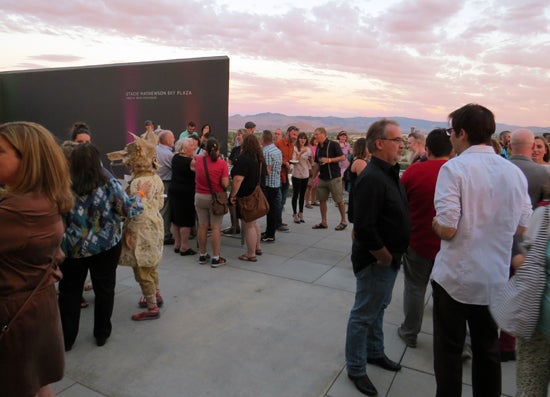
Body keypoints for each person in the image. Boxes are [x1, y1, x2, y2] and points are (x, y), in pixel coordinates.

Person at [431, 104, 532, 397]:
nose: (450, 138)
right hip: (493, 279)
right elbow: (522, 228)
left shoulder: (454, 168)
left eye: (452, 132)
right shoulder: (512, 173)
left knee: (449, 353)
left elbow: (448, 229)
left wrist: (435, 224)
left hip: (455, 278)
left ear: (462, 133)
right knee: (487, 351)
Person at [0, 121, 74, 397]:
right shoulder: (43, 199)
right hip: (36, 306)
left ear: (27, 160)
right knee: (37, 382)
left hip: (15, 315)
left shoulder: (16, 210)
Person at [59, 143, 147, 350]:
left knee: (69, 293)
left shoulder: (62, 185)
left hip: (73, 249)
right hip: (106, 247)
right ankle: (101, 333)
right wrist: (140, 195)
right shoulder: (109, 184)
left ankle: (66, 338)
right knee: (105, 289)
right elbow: (128, 210)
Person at [345, 119, 410, 397]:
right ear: (379, 143)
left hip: (391, 259)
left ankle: (375, 352)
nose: (402, 145)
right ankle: (357, 367)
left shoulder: (389, 172)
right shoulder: (372, 178)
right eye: (397, 140)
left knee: (378, 307)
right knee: (363, 314)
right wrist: (382, 256)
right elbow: (364, 226)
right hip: (376, 261)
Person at [397, 129, 453, 349]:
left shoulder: (414, 172)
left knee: (414, 288)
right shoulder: (459, 172)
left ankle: (410, 332)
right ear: (451, 149)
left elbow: (399, 205)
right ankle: (454, 342)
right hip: (450, 245)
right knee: (448, 294)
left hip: (418, 242)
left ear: (427, 149)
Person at [107, 132, 165, 321]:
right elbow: (160, 204)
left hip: (140, 228)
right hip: (155, 224)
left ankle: (152, 306)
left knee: (141, 268)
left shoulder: (138, 182)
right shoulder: (156, 179)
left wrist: (129, 231)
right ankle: (156, 294)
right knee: (151, 264)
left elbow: (132, 209)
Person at [515, 204, 550, 396]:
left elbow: (525, 262)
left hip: (538, 321)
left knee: (530, 387)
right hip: (538, 322)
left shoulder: (544, 216)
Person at [194, 138, 230, 267]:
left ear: (206, 150)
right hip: (215, 198)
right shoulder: (222, 164)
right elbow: (225, 183)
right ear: (218, 150)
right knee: (216, 228)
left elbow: (192, 165)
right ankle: (215, 257)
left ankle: (202, 255)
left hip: (199, 196)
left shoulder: (198, 161)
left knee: (202, 226)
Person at [229, 134, 265, 262]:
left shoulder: (244, 159)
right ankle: (257, 247)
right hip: (255, 193)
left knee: (248, 225)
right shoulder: (259, 159)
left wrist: (232, 195)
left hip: (245, 196)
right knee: (254, 223)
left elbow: (238, 179)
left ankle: (251, 253)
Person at [311, 127, 348, 231]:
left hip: (334, 177)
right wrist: (313, 178)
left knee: (339, 200)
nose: (315, 136)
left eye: (316, 134)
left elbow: (342, 157)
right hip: (322, 178)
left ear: (323, 134)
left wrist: (329, 160)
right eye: (315, 134)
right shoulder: (318, 147)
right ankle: (324, 222)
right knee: (322, 200)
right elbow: (317, 164)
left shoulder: (333, 144)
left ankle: (343, 221)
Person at [169, 138, 197, 256]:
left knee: (176, 219)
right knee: (186, 220)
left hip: (174, 189)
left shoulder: (175, 158)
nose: (194, 147)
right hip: (186, 192)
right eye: (191, 145)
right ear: (184, 148)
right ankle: (184, 246)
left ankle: (177, 244)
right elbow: (200, 172)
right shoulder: (190, 162)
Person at [275, 126, 299, 231]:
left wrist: (289, 163)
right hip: (277, 176)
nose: (295, 137)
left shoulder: (292, 146)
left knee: (282, 201)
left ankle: (278, 221)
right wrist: (285, 163)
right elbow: (275, 158)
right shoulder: (278, 144)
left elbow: (289, 160)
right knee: (278, 201)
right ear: (288, 133)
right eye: (293, 134)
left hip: (285, 176)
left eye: (296, 135)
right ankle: (276, 223)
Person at [261, 130, 282, 243]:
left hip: (269, 184)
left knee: (270, 211)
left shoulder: (266, 152)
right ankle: (269, 231)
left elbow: (267, 171)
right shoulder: (277, 150)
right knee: (272, 209)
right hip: (276, 183)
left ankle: (270, 234)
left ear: (263, 139)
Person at [223, 129, 245, 236]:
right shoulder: (236, 149)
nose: (238, 137)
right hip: (234, 179)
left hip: (244, 182)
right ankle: (235, 226)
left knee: (238, 202)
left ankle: (244, 227)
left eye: (239, 135)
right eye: (237, 135)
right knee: (231, 202)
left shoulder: (249, 151)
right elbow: (229, 162)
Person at [156, 130, 175, 245]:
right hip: (165, 184)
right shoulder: (169, 155)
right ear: (168, 141)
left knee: (158, 208)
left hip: (156, 182)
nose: (174, 140)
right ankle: (164, 235)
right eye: (172, 138)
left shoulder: (155, 149)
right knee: (165, 209)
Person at [346, 137, 369, 224]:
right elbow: (364, 182)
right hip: (359, 195)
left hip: (356, 193)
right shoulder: (360, 162)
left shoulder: (357, 160)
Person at [291, 131, 312, 223]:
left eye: (304, 138)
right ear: (298, 139)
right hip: (296, 174)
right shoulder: (294, 148)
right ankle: (295, 213)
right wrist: (300, 153)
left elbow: (310, 160)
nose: (303, 140)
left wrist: (310, 160)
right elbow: (294, 161)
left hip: (305, 174)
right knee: (295, 194)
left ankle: (301, 212)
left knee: (302, 194)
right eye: (301, 138)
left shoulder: (308, 149)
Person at [305, 135, 319, 208]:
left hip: (317, 169)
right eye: (315, 140)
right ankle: (307, 202)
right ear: (312, 140)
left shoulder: (319, 148)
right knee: (309, 186)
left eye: (317, 140)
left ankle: (313, 201)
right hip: (311, 169)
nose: (316, 141)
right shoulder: (309, 148)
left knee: (315, 186)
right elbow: (308, 158)